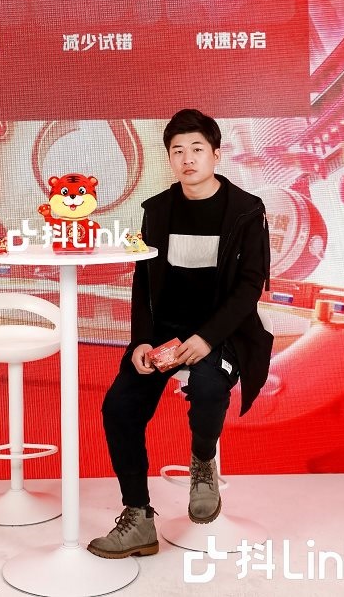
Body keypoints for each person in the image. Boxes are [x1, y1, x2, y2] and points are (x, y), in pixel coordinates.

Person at [87, 108, 273, 559]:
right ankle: (138, 517)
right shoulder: (157, 210)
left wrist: (207, 338)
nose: (187, 159)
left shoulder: (247, 211)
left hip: (221, 332)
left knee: (208, 387)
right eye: (177, 151)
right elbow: (143, 281)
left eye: (197, 149)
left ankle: (203, 463)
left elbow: (250, 286)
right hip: (164, 333)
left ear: (216, 154)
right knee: (119, 407)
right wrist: (141, 340)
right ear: (169, 158)